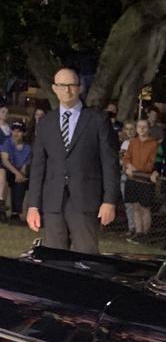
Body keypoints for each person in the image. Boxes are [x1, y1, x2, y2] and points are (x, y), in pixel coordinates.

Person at [25, 67, 120, 253]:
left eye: (71, 85)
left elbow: (109, 163)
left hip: (85, 199)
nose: (67, 90)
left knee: (86, 258)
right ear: (54, 88)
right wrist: (33, 206)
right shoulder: (46, 123)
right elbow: (38, 167)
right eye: (62, 85)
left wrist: (109, 201)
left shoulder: (97, 120)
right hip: (53, 201)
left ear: (79, 88)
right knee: (54, 259)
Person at [124, 119, 159, 240]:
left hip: (145, 180)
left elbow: (151, 163)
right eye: (139, 126)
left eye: (144, 127)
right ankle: (138, 232)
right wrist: (128, 166)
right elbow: (127, 157)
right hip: (132, 179)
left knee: (145, 208)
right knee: (135, 207)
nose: (141, 129)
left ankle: (145, 233)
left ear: (148, 128)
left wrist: (137, 170)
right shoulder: (133, 142)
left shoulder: (153, 143)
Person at [1, 121, 32, 221]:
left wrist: (20, 174)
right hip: (7, 170)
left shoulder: (28, 148)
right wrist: (17, 173)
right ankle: (1, 206)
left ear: (24, 133)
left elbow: (24, 167)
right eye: (13, 131)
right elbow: (5, 160)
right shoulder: (7, 142)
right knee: (3, 173)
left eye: (18, 131)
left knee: (20, 182)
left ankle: (16, 213)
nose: (15, 134)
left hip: (18, 172)